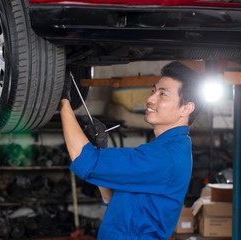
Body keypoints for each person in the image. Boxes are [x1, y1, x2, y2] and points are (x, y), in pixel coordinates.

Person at [59, 61, 204, 239]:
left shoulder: (165, 157)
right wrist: (101, 148)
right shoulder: (167, 149)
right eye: (153, 91)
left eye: (163, 94)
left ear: (186, 108)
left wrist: (64, 101)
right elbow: (111, 198)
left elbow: (85, 159)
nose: (150, 99)